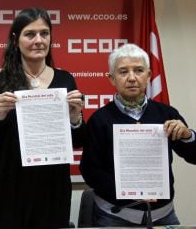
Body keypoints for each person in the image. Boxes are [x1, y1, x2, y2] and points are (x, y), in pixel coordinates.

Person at [0, 7, 85, 228]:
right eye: (30, 34)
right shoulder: (0, 82)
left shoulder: (65, 80)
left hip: (52, 185)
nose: (39, 40)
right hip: (9, 186)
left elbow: (77, 142)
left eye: (44, 33)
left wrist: (75, 119)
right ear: (16, 39)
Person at [80, 43, 196, 227]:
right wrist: (130, 190)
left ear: (149, 76)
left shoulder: (167, 114)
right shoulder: (99, 119)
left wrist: (188, 135)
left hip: (163, 215)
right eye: (123, 72)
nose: (132, 78)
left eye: (139, 70)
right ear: (112, 78)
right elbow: (90, 171)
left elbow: (194, 156)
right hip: (115, 217)